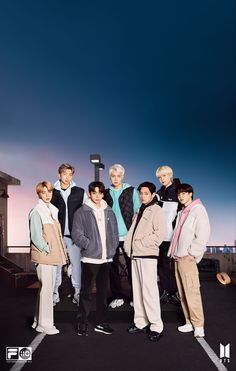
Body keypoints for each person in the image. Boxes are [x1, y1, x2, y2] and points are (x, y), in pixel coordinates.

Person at [71, 181, 119, 336]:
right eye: (94, 192)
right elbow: (76, 235)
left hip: (106, 259)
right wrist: (89, 245)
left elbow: (115, 234)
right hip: (90, 259)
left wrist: (112, 248)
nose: (97, 195)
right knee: (86, 293)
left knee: (103, 293)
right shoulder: (82, 212)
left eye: (100, 192)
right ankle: (82, 323)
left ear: (103, 194)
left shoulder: (109, 211)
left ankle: (101, 322)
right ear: (90, 193)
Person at [124, 182, 166, 342]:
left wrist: (141, 243)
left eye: (146, 193)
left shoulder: (157, 210)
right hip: (135, 256)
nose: (143, 196)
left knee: (149, 291)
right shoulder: (140, 210)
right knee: (138, 291)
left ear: (153, 194)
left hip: (147, 256)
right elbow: (132, 232)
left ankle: (156, 326)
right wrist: (130, 248)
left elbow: (159, 234)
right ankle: (141, 322)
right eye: (141, 193)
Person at [168, 183, 210, 338]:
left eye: (184, 193)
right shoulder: (182, 212)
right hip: (177, 258)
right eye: (179, 194)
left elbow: (203, 233)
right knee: (183, 293)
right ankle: (189, 322)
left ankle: (199, 325)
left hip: (187, 258)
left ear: (190, 194)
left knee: (192, 292)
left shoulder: (198, 210)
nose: (181, 196)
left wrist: (193, 253)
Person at [29, 181, 68, 335]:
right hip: (45, 257)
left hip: (51, 256)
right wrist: (48, 249)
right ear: (39, 194)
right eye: (44, 192)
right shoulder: (37, 211)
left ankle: (38, 322)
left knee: (45, 290)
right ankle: (45, 325)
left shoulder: (51, 210)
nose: (47, 195)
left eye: (49, 192)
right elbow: (36, 237)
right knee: (46, 291)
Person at [104, 164, 141, 308]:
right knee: (112, 268)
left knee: (132, 267)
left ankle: (135, 296)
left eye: (118, 176)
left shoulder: (132, 191)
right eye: (113, 176)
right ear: (110, 177)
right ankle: (117, 296)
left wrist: (134, 233)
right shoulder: (106, 193)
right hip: (111, 236)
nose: (116, 179)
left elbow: (138, 212)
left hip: (128, 236)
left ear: (123, 176)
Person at [51, 163, 87, 306]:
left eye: (70, 174)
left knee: (76, 265)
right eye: (64, 174)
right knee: (57, 265)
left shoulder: (80, 192)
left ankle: (77, 293)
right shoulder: (52, 191)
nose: (67, 177)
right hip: (57, 236)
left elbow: (86, 213)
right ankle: (55, 293)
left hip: (74, 237)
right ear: (59, 174)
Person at [156, 165, 181, 305]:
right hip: (162, 236)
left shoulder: (179, 190)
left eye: (164, 176)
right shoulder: (160, 192)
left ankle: (176, 292)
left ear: (170, 175)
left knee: (174, 266)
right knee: (162, 265)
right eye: (159, 177)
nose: (162, 179)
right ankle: (166, 292)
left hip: (174, 236)